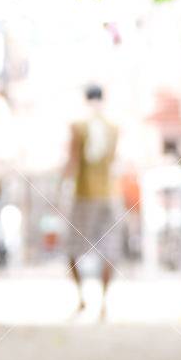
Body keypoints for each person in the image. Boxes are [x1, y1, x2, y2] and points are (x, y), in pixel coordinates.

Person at [64, 84, 120, 318]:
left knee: (72, 250)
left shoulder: (78, 126)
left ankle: (81, 299)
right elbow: (113, 159)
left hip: (84, 195)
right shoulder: (113, 127)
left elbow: (73, 161)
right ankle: (104, 303)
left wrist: (61, 188)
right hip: (109, 194)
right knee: (109, 252)